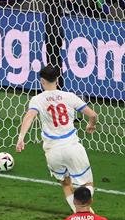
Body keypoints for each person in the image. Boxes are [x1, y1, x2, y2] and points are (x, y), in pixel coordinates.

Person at [16, 65, 98, 212]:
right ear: (58, 79)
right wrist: (91, 125)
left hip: (53, 152)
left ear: (42, 81)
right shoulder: (70, 96)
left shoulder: (37, 99)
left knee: (66, 184)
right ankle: (88, 218)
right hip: (72, 148)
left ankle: (79, 216)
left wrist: (21, 137)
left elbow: (29, 116)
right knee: (87, 185)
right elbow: (93, 115)